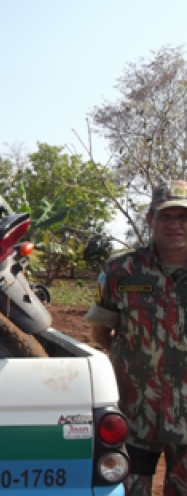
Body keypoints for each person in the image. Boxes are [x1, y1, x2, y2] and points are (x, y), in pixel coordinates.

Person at [85, 180, 187, 495]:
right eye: (165, 217)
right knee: (129, 490)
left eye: (183, 217)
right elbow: (102, 329)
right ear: (149, 219)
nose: (175, 225)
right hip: (136, 414)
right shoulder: (122, 271)